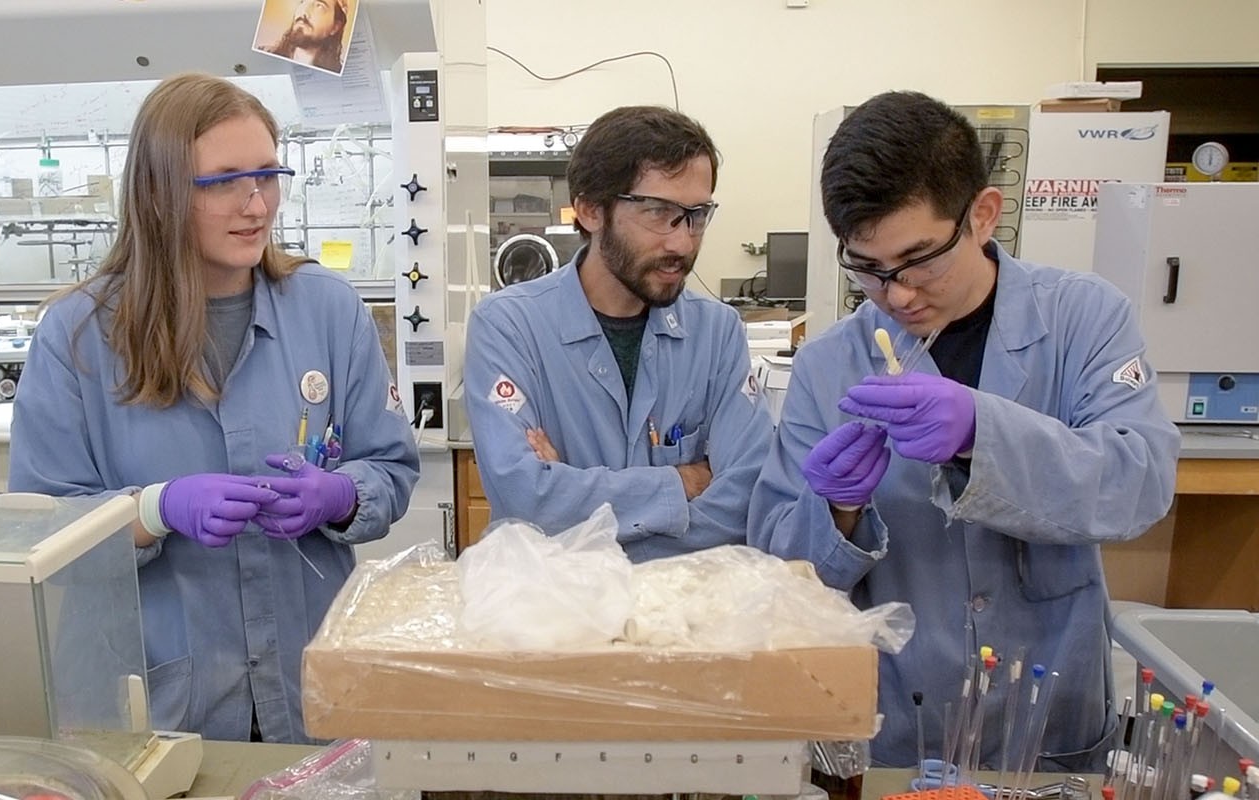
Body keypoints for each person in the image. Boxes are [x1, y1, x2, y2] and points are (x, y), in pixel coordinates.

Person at [748, 91, 1179, 772]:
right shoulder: (830, 367)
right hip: (897, 722)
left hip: (1050, 713)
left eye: (920, 259)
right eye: (868, 269)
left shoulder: (1083, 320)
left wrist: (986, 432)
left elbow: (1139, 483)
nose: (898, 294)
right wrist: (836, 511)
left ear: (982, 216)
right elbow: (785, 576)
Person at [8, 73, 419, 743]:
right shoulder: (80, 333)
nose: (256, 204)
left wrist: (341, 495)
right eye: (223, 180)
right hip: (156, 702)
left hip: (305, 684)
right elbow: (37, 530)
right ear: (160, 193)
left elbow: (393, 468)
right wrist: (153, 511)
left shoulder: (327, 310)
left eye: (267, 175)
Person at [463, 106, 775, 562]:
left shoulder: (717, 332)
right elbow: (525, 497)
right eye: (658, 212)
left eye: (696, 215)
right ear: (591, 209)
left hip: (684, 617)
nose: (683, 243)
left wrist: (573, 506)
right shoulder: (508, 325)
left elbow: (747, 497)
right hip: (554, 617)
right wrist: (684, 482)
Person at [258, 0, 348, 74]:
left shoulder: (335, 75)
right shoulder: (263, 57)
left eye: (319, 6)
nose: (304, 12)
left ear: (334, 27)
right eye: (303, 1)